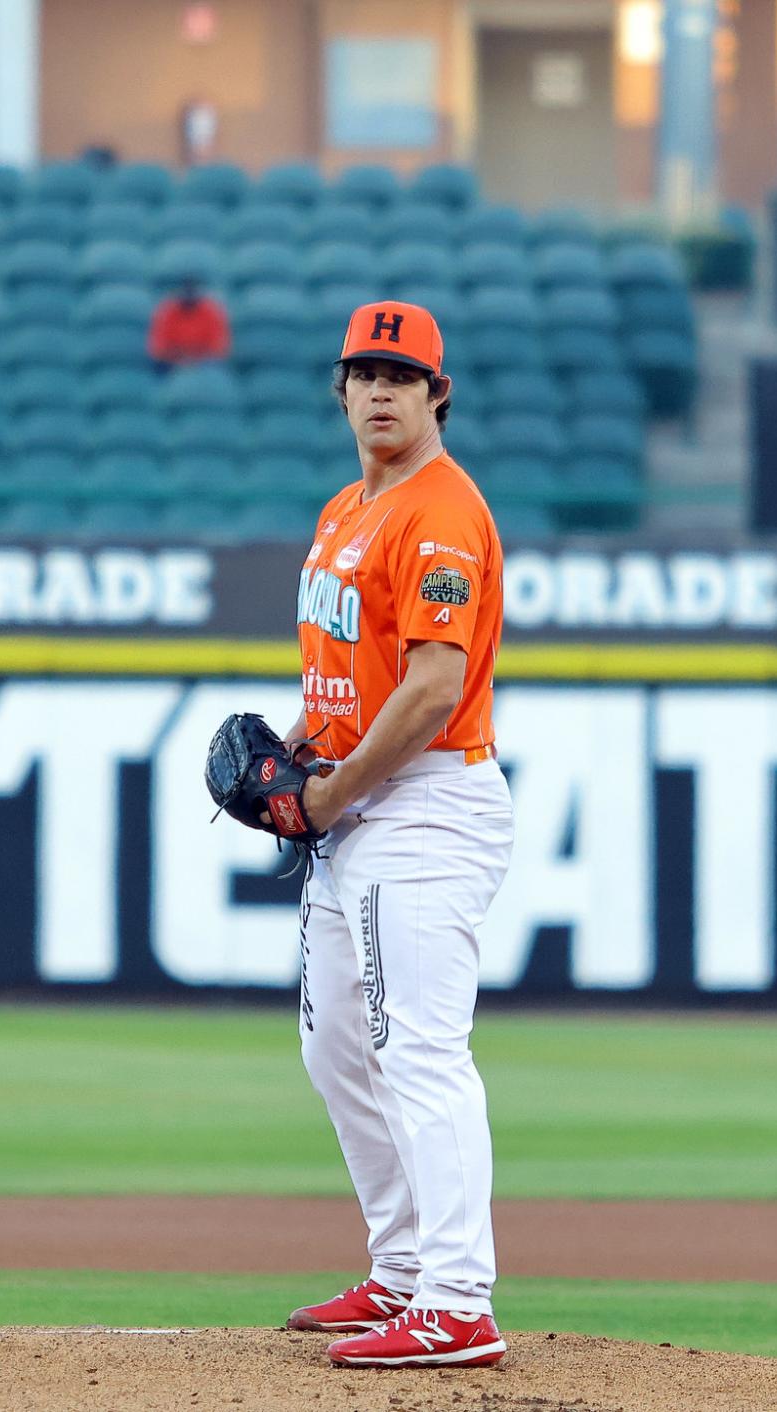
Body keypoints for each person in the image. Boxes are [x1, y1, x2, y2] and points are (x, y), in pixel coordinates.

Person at [282, 301, 514, 1368]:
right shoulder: (344, 508)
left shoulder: (440, 513)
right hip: (357, 801)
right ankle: (403, 1266)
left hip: (422, 803)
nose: (379, 389)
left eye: (400, 374)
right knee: (335, 1043)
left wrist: (326, 799)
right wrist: (294, 758)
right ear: (338, 390)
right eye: (362, 372)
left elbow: (430, 689)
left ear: (436, 394)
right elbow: (344, 682)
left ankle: (458, 1297)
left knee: (416, 1044)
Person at [146, 279, 231, 372]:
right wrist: (178, 356)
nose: (189, 295)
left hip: (204, 362)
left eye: (192, 291)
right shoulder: (167, 311)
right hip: (173, 362)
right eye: (186, 291)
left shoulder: (211, 311)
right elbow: (158, 345)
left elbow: (220, 345)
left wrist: (198, 356)